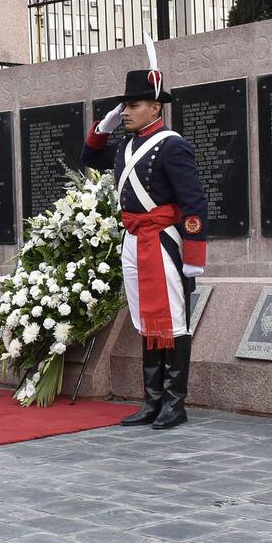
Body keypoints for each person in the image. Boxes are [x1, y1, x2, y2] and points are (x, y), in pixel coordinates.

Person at [83, 48, 207, 430]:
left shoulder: (172, 145)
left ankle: (174, 401)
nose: (126, 112)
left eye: (133, 105)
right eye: (124, 106)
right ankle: (152, 400)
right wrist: (102, 128)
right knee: (144, 318)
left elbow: (195, 202)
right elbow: (89, 156)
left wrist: (193, 256)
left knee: (172, 319)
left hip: (165, 240)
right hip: (134, 238)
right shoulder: (125, 145)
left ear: (155, 108)